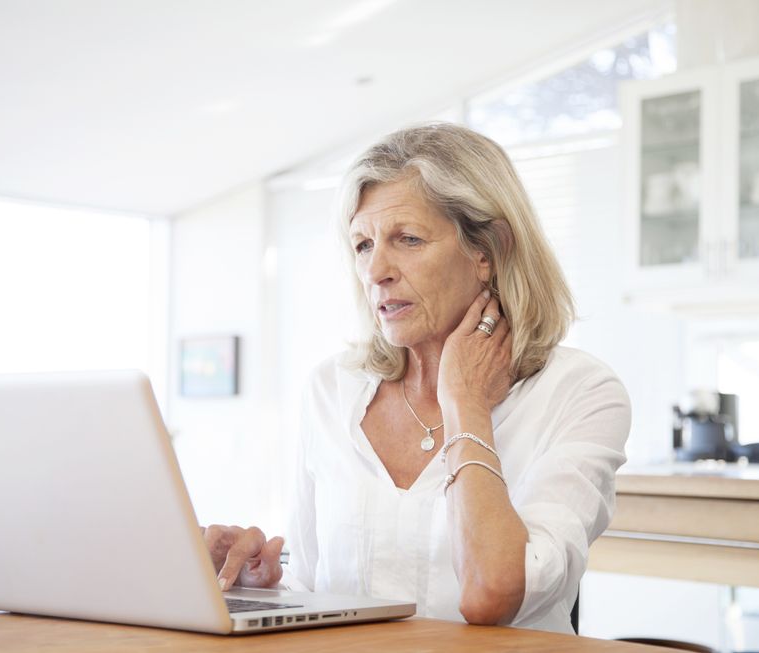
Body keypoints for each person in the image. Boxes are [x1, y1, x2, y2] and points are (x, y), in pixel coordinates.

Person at [202, 123, 630, 634]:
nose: (376, 270)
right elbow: (312, 583)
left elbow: (493, 595)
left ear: (487, 251)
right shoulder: (330, 389)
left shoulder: (580, 393)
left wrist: (465, 402)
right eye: (362, 245)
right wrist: (259, 584)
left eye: (407, 239)